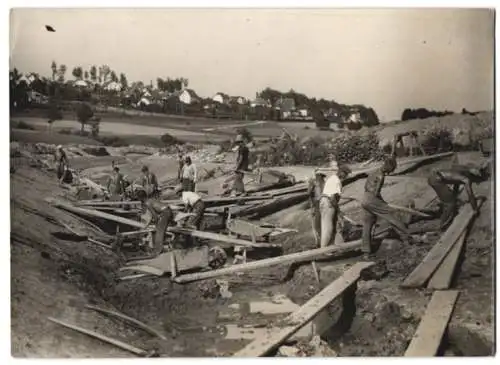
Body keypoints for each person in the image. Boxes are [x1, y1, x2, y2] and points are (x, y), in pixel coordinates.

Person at [361, 156, 413, 255]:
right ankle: (407, 239)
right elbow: (375, 192)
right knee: (393, 215)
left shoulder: (373, 172)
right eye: (392, 169)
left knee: (367, 225)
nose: (391, 171)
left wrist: (381, 202)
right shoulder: (381, 176)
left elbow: (367, 188)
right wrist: (382, 203)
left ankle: (365, 253)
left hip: (364, 199)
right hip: (372, 199)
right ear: (389, 166)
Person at [427, 161, 490, 230]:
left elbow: (456, 183)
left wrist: (454, 196)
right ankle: (442, 226)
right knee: (450, 203)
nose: (478, 183)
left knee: (452, 199)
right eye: (479, 181)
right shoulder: (466, 179)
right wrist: (475, 209)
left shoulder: (463, 172)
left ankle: (448, 217)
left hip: (435, 178)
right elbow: (470, 195)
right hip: (436, 181)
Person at [317, 161, 350, 248]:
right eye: (345, 174)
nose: (346, 176)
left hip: (325, 202)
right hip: (328, 203)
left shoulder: (332, 178)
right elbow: (332, 198)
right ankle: (323, 250)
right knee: (328, 228)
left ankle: (334, 245)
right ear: (341, 172)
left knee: (330, 225)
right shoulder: (336, 181)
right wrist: (338, 210)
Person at [307, 170, 326, 246]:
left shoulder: (315, 182)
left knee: (317, 224)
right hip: (321, 203)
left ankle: (320, 242)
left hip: (317, 203)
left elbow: (309, 193)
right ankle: (319, 241)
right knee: (320, 223)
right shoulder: (323, 182)